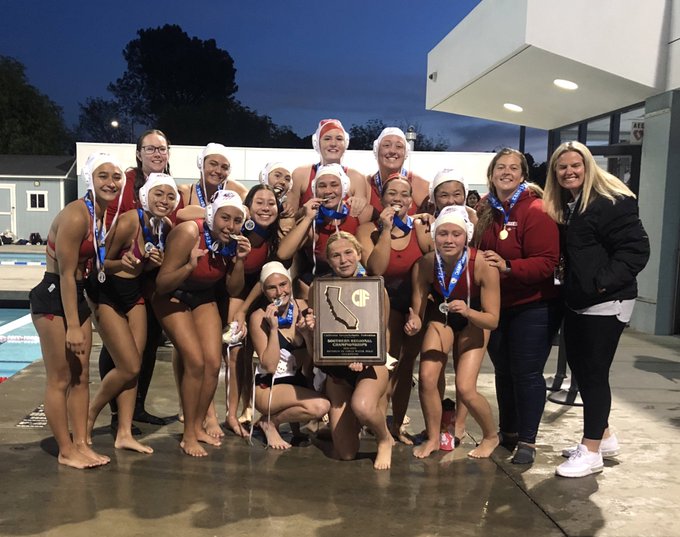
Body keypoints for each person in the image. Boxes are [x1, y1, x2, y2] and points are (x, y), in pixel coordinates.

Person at [543, 141, 649, 478]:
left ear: (588, 167)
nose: (569, 171)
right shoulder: (571, 205)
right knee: (580, 367)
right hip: (580, 301)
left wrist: (599, 284)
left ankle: (590, 452)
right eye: (562, 167)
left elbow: (636, 251)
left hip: (607, 301)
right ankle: (603, 437)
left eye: (576, 165)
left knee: (593, 373)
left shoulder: (611, 202)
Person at [30, 152, 125, 468]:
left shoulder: (98, 214)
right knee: (59, 378)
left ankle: (81, 442)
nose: (111, 182)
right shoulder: (75, 215)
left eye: (115, 176)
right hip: (55, 296)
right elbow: (67, 274)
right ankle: (66, 449)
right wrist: (73, 324)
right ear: (90, 179)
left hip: (76, 297)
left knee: (81, 376)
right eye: (103, 176)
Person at [473, 148, 562, 465]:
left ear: (523, 175)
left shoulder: (536, 210)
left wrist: (509, 266)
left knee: (526, 373)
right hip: (497, 306)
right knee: (504, 372)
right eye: (500, 167)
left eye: (513, 167)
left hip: (533, 305)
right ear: (492, 173)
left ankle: (528, 440)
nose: (506, 172)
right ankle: (508, 431)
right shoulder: (485, 208)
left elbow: (547, 263)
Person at [86, 173, 179, 454]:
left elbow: (144, 269)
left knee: (134, 368)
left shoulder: (166, 226)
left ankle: (124, 433)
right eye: (158, 194)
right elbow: (101, 263)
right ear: (145, 196)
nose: (164, 200)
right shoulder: (130, 220)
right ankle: (89, 414)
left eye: (170, 196)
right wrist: (121, 261)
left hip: (133, 294)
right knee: (128, 365)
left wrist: (151, 265)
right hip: (107, 293)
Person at [153, 190, 250, 457]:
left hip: (202, 296)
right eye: (225, 218)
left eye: (236, 221)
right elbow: (161, 284)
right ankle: (187, 437)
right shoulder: (189, 232)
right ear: (211, 216)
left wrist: (240, 261)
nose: (230, 226)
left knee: (212, 363)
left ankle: (196, 427)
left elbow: (233, 289)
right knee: (195, 361)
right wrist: (188, 266)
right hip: (171, 295)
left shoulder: (234, 243)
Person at [404, 205, 500, 459]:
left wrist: (468, 312)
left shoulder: (481, 264)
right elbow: (418, 310)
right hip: (443, 317)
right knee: (426, 377)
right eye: (442, 234)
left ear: (466, 236)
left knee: (465, 388)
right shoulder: (426, 264)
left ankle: (491, 436)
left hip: (474, 319)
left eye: (455, 234)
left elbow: (492, 320)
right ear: (434, 237)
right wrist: (413, 322)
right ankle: (434, 437)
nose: (448, 240)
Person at [100, 129, 180, 428]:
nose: (158, 154)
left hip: (148, 278)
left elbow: (177, 220)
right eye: (151, 149)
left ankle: (136, 407)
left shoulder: (171, 188)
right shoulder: (124, 184)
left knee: (146, 347)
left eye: (163, 149)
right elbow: (106, 227)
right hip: (119, 276)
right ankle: (113, 412)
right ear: (139, 153)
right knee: (117, 348)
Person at [174, 142, 248, 436]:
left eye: (224, 166)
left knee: (211, 352)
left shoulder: (239, 190)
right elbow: (179, 216)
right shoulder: (184, 192)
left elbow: (247, 213)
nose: (218, 170)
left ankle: (208, 412)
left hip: (217, 275)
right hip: (190, 274)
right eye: (212, 164)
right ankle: (193, 407)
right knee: (186, 351)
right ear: (201, 165)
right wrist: (211, 212)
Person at [355, 172, 431, 443]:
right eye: (392, 194)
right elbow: (376, 269)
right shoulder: (368, 230)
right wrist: (386, 230)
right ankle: (377, 421)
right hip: (383, 304)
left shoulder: (421, 227)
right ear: (382, 198)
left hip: (414, 304)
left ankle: (397, 424)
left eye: (404, 194)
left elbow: (433, 263)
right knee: (385, 364)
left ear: (411, 200)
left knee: (407, 365)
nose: (398, 199)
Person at [310, 231, 394, 470]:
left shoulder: (376, 288)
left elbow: (383, 335)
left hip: (370, 367)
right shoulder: (319, 288)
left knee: (363, 406)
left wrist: (366, 358)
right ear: (328, 260)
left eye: (348, 253)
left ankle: (384, 438)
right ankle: (349, 424)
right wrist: (309, 330)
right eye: (336, 255)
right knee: (345, 453)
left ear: (358, 254)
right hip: (337, 371)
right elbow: (315, 341)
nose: (343, 259)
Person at [223, 184, 283, 436]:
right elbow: (234, 286)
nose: (266, 207)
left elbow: (263, 278)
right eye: (260, 202)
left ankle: (250, 406)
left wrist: (246, 309)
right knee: (235, 351)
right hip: (233, 291)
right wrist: (240, 312)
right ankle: (231, 413)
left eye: (271, 203)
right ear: (248, 207)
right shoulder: (237, 230)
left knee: (252, 355)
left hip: (257, 293)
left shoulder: (275, 237)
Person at [250, 261, 330, 449]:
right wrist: (273, 329)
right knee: (320, 406)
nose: (279, 292)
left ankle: (279, 423)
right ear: (264, 291)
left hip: (296, 380)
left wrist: (307, 335)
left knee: (330, 402)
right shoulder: (259, 317)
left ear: (290, 284)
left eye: (283, 284)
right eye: (271, 288)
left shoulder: (302, 307)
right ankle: (269, 423)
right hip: (268, 385)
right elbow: (269, 366)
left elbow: (313, 358)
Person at [278, 163, 359, 297]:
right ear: (315, 191)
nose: (328, 191)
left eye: (334, 185)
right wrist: (307, 218)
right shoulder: (312, 223)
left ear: (344, 188)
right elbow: (283, 253)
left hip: (353, 284)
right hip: (318, 285)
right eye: (322, 186)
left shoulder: (357, 213)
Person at [288, 119, 370, 221]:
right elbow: (289, 217)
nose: (333, 143)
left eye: (339, 139)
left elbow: (361, 216)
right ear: (317, 143)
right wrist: (304, 212)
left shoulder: (356, 177)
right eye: (327, 138)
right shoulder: (301, 175)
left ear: (346, 143)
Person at [368, 128, 430, 218]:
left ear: (406, 153)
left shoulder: (420, 185)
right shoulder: (366, 184)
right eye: (386, 145)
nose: (392, 151)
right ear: (376, 150)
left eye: (399, 146)